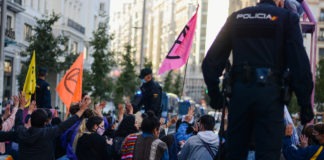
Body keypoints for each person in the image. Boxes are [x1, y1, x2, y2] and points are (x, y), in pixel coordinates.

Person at [201, 0, 314, 159]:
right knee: (268, 154)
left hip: (239, 96)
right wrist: (305, 106)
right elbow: (300, 65)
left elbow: (210, 62)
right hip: (271, 97)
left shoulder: (236, 18)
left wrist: (215, 96)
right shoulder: (287, 18)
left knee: (234, 153)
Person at [0, 95, 91, 160]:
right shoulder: (48, 133)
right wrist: (82, 110)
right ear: (45, 122)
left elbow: (18, 122)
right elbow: (64, 125)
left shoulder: (20, 132)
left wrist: (21, 107)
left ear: (30, 120)